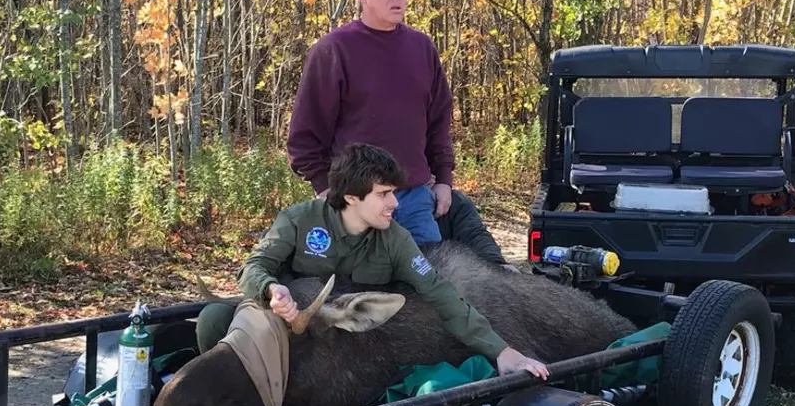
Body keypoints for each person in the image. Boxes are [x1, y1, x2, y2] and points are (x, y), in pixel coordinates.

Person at [196, 143, 548, 380]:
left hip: (342, 349)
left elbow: (442, 294)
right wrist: (271, 289)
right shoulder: (299, 219)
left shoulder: (394, 238)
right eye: (384, 194)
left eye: (394, 192)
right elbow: (252, 268)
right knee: (213, 319)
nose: (395, 203)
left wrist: (501, 351)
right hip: (283, 329)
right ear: (351, 197)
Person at [286, 0, 454, 247]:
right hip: (357, 201)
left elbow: (438, 121)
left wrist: (443, 180)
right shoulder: (333, 51)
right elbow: (304, 136)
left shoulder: (422, 47)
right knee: (359, 289)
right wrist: (326, 189)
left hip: (414, 199)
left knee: (430, 286)